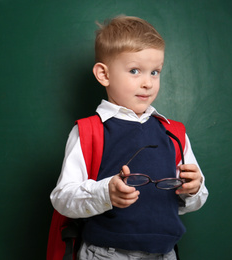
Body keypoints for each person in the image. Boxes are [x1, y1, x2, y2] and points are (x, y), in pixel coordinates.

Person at [50, 16, 209, 260]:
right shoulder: (89, 131)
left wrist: (193, 189)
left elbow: (194, 201)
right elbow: (62, 198)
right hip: (107, 253)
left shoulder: (174, 132)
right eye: (135, 71)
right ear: (104, 74)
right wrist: (106, 193)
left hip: (165, 253)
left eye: (155, 72)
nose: (147, 83)